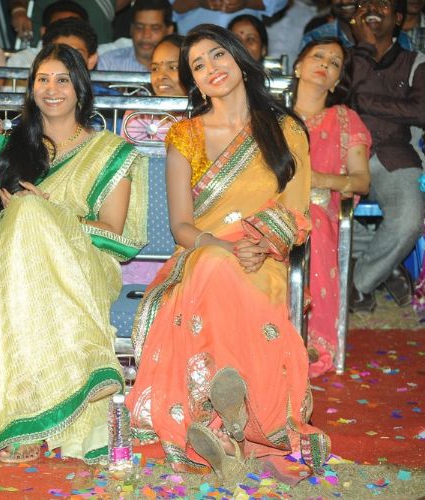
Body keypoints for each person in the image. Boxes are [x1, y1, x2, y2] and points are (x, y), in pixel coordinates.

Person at [125, 24, 329, 481]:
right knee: (215, 266)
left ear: (238, 58)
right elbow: (182, 226)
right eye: (198, 65)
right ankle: (235, 426)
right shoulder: (186, 136)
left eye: (217, 55)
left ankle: (223, 428)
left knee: (227, 276)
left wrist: (260, 244)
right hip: (202, 255)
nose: (211, 68)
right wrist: (225, 247)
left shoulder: (286, 130)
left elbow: (297, 214)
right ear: (194, 83)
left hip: (264, 258)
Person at [0, 43, 148, 464]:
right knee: (25, 219)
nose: (52, 89)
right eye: (43, 79)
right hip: (8, 263)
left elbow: (115, 236)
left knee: (33, 212)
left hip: (82, 262)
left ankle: (27, 420)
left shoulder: (110, 152)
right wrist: (23, 216)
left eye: (62, 80)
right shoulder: (6, 147)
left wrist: (52, 214)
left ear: (80, 89)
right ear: (31, 87)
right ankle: (52, 400)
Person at [292, 37, 371, 377]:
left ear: (337, 81)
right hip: (272, 204)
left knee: (312, 222)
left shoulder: (345, 119)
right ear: (298, 67)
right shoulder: (272, 118)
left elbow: (361, 181)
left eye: (335, 63)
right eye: (318, 56)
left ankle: (314, 341)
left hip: (320, 209)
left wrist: (317, 179)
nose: (325, 63)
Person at [346, 0, 425, 312]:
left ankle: (359, 283)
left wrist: (362, 101)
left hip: (395, 156)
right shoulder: (339, 59)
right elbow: (338, 100)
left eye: (382, 4)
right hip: (342, 157)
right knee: (317, 214)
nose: (372, 9)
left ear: (399, 17)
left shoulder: (416, 61)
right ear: (354, 17)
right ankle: (387, 269)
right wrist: (364, 48)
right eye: (364, 4)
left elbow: (420, 111)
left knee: (409, 221)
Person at [98, 0, 174, 72]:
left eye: (155, 28)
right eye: (139, 27)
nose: (146, 35)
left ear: (169, 31)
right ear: (131, 29)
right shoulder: (108, 65)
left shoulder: (179, 67)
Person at [172, 0, 287, 36]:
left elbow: (278, 2)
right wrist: (198, 2)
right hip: (195, 44)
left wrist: (247, 2)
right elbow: (167, 7)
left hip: (244, 48)